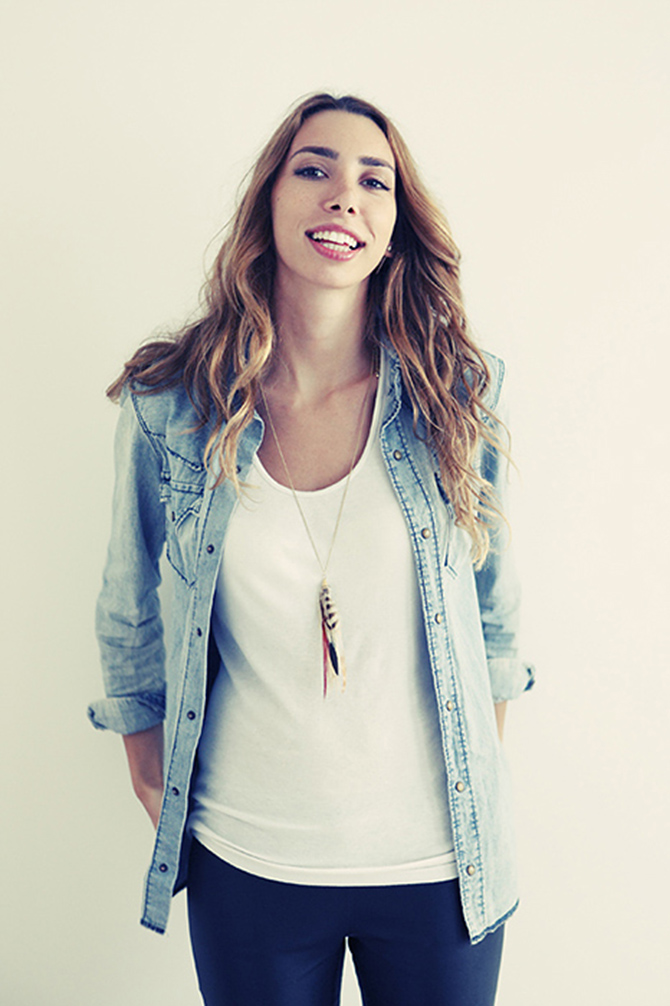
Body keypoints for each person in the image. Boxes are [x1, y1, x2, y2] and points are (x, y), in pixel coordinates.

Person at [89, 92, 534, 1006]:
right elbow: (128, 606)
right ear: (270, 199)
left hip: (438, 869)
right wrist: (148, 762)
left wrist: (469, 768)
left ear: (395, 226)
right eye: (315, 169)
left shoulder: (457, 394)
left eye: (375, 181)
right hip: (249, 860)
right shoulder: (172, 402)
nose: (344, 197)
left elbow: (494, 611)